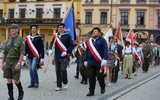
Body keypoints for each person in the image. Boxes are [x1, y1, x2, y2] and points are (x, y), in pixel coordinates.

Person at [49, 23, 75, 91]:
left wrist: (66, 52)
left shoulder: (68, 36)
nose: (60, 28)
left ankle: (65, 81)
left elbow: (72, 45)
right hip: (57, 56)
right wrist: (50, 49)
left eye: (61, 27)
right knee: (57, 71)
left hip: (64, 56)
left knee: (63, 69)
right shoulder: (55, 36)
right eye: (59, 27)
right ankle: (59, 86)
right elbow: (52, 43)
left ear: (64, 28)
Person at [1, 24, 24, 100]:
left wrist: (19, 63)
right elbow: (4, 53)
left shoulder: (20, 40)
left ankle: (21, 91)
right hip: (8, 61)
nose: (12, 30)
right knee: (8, 79)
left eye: (14, 28)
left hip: (15, 61)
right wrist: (2, 63)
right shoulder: (8, 40)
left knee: (16, 80)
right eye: (11, 28)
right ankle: (11, 97)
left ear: (17, 30)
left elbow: (22, 53)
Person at [84, 27, 108, 96]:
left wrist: (105, 59)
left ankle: (102, 86)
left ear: (99, 33)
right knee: (91, 77)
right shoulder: (90, 41)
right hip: (91, 62)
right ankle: (91, 91)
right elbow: (87, 51)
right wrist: (85, 60)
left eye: (95, 31)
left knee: (100, 77)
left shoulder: (102, 40)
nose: (94, 32)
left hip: (99, 62)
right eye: (93, 31)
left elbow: (105, 50)